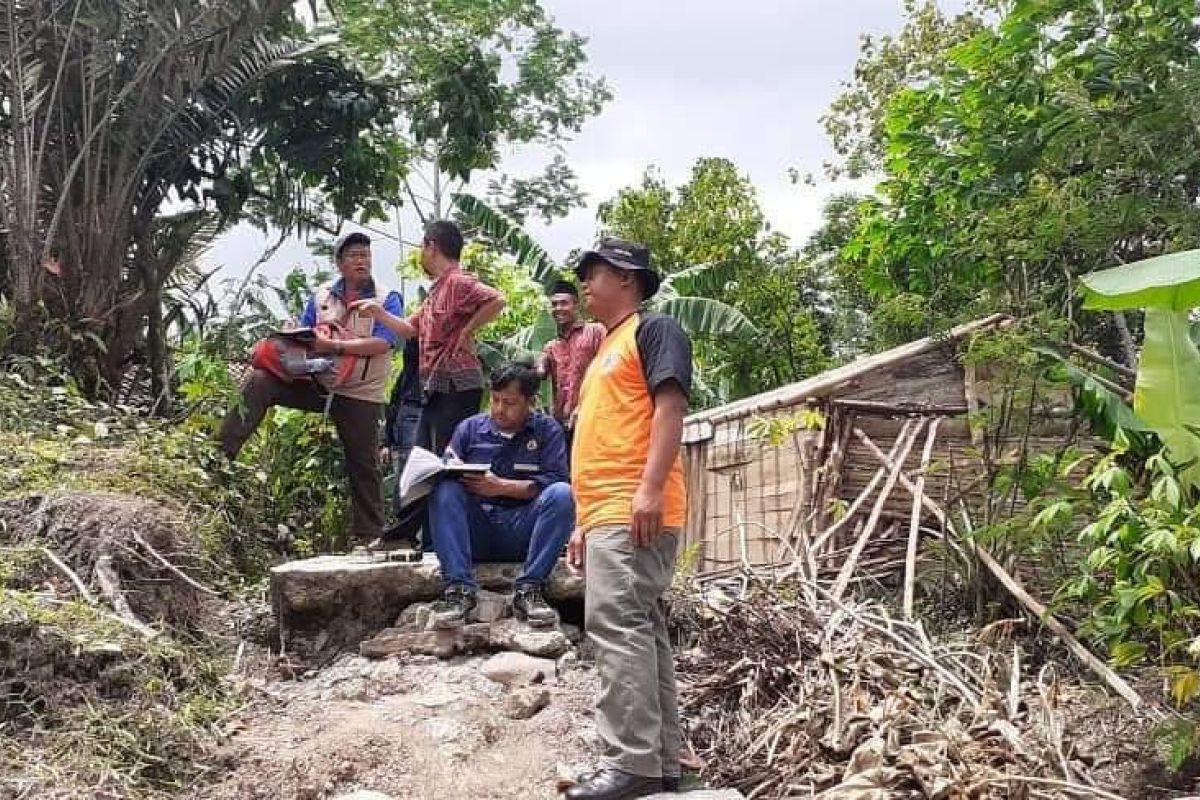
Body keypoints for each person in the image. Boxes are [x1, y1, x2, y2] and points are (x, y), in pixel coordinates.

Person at [564, 238, 692, 800]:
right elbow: (598, 438)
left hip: (632, 505)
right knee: (643, 629)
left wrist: (648, 488)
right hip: (606, 511)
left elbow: (670, 408)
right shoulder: (604, 351)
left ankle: (631, 763)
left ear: (628, 279)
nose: (585, 284)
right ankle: (661, 763)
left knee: (616, 626)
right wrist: (581, 520)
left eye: (595, 273)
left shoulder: (654, 330)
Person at [219, 232, 403, 547]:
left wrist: (333, 344)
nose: (362, 261)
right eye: (354, 255)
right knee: (259, 381)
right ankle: (218, 460)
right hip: (317, 382)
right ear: (339, 263)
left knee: (363, 462)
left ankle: (370, 536)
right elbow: (305, 335)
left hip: (360, 390)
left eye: (366, 255)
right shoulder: (321, 298)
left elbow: (384, 343)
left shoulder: (387, 299)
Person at [425, 361, 574, 629]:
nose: (499, 409)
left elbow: (555, 481)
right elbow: (448, 465)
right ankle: (459, 590)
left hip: (524, 532)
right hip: (476, 531)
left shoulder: (548, 430)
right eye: (494, 400)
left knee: (563, 494)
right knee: (444, 488)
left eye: (509, 402)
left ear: (530, 401)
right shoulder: (469, 429)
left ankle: (529, 588)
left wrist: (501, 486)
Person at [352, 220, 505, 456]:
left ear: (431, 247)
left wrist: (467, 330)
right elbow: (409, 330)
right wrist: (378, 313)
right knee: (424, 458)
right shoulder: (436, 290)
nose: (420, 254)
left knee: (448, 456)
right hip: (435, 386)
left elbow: (497, 299)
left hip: (457, 383)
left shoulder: (457, 281)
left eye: (421, 247)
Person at [536, 279, 605, 450]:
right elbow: (539, 373)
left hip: (592, 416)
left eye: (564, 303)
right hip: (561, 424)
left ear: (576, 304)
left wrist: (583, 406)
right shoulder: (551, 346)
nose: (558, 308)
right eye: (554, 304)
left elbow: (607, 371)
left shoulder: (596, 331)